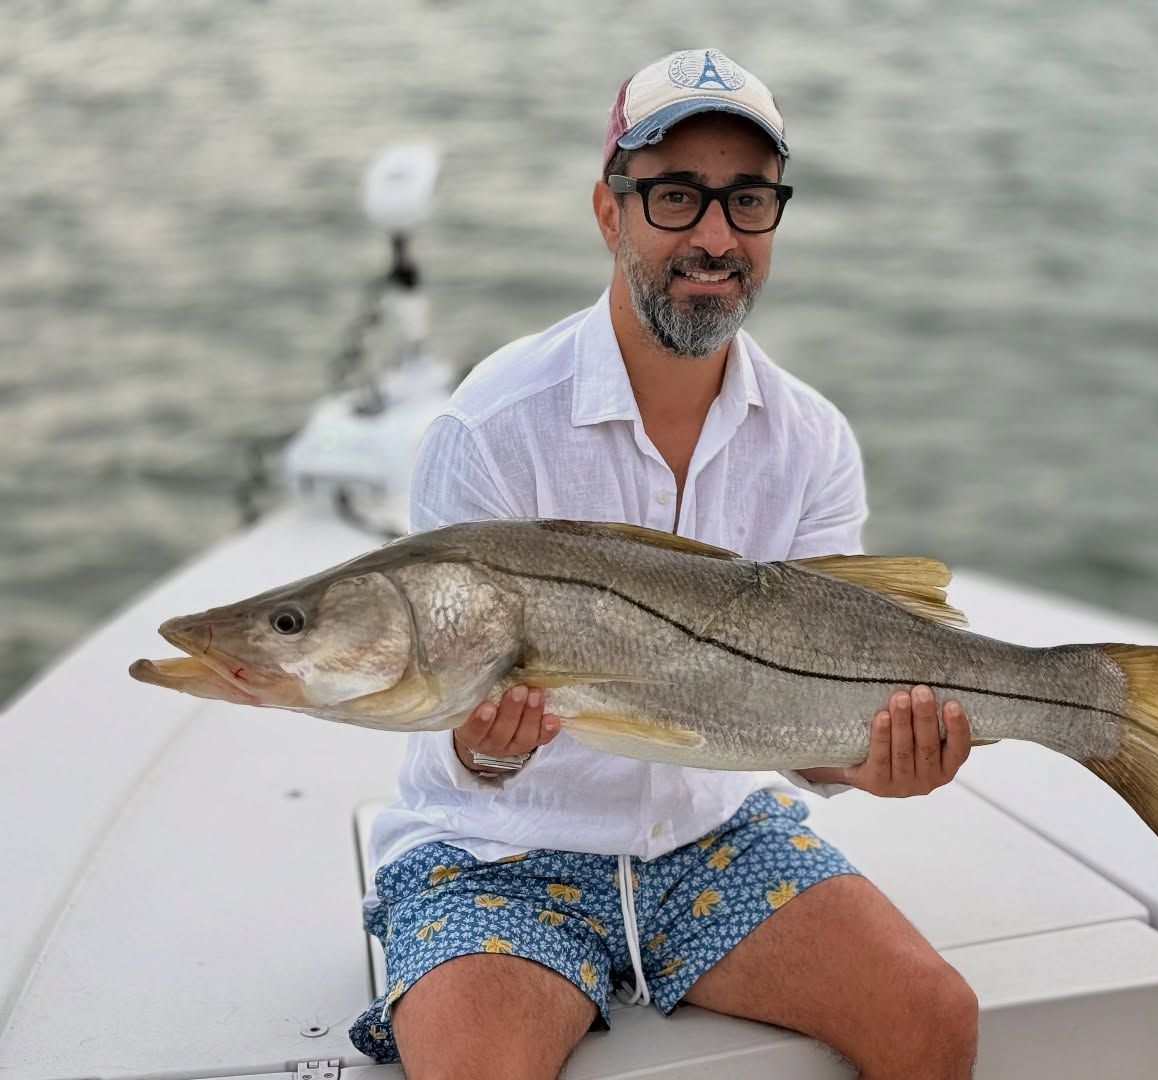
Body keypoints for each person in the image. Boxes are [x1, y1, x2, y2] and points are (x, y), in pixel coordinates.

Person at [350, 49, 980, 1079]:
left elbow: (811, 745)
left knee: (933, 1020)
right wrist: (489, 751)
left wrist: (875, 761)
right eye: (677, 197)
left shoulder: (814, 442)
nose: (715, 237)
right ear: (611, 212)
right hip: (496, 851)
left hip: (715, 831)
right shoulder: (490, 428)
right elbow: (449, 730)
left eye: (748, 201)